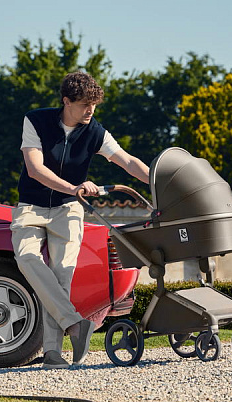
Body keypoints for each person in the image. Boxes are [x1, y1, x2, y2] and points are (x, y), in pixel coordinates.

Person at [10, 71, 150, 369]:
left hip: (68, 211)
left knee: (61, 277)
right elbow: (34, 169)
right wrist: (73, 188)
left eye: (94, 105)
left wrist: (159, 181)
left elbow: (127, 161)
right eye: (85, 104)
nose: (91, 110)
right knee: (26, 259)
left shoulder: (95, 131)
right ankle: (76, 324)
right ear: (66, 101)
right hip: (31, 207)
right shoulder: (35, 121)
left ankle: (53, 353)